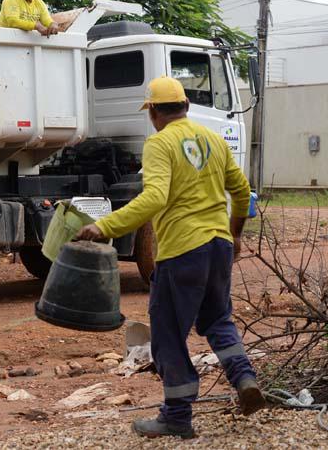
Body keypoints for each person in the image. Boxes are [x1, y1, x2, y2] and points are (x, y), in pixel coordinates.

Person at [75, 76, 265, 439]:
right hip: (219, 244)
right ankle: (244, 379)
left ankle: (176, 416)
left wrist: (106, 227)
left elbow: (156, 198)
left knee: (168, 334)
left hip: (183, 250)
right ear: (186, 107)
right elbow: (242, 191)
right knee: (218, 319)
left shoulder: (159, 144)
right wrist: (235, 233)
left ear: (153, 113)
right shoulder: (213, 139)